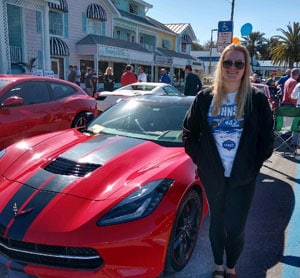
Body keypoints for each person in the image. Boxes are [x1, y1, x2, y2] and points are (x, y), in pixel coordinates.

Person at [182, 43, 274, 278]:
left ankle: (231, 267)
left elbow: (266, 140)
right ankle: (218, 267)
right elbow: (189, 133)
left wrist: (252, 167)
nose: (232, 67)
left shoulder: (256, 100)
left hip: (243, 179)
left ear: (245, 68)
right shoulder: (204, 98)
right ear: (220, 65)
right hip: (214, 177)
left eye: (238, 63)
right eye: (228, 62)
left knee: (236, 229)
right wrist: (203, 162)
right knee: (216, 225)